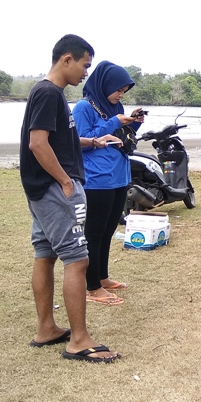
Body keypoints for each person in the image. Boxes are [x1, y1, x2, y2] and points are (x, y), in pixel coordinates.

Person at [20, 34, 120, 363]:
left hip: (42, 190)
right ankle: (79, 340)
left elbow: (60, 138)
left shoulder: (50, 94)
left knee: (45, 254)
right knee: (77, 260)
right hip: (55, 190)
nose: (86, 73)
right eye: (84, 65)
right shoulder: (49, 93)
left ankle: (46, 328)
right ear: (67, 59)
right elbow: (38, 144)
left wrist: (92, 143)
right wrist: (64, 181)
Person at [73, 61, 145, 306]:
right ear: (104, 85)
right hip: (96, 180)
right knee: (93, 233)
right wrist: (115, 121)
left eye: (124, 91)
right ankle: (91, 287)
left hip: (118, 177)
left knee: (108, 230)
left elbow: (120, 137)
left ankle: (102, 277)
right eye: (118, 90)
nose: (120, 95)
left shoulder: (116, 107)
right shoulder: (84, 107)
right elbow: (79, 140)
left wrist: (133, 122)